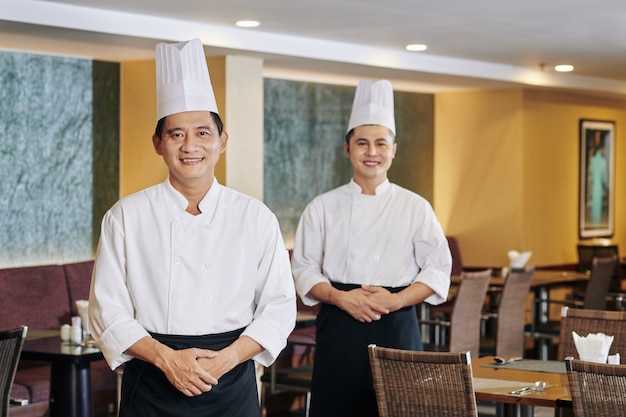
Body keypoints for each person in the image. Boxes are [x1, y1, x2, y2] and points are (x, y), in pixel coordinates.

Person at [88, 38, 296, 417]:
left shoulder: (255, 217)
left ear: (222, 141)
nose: (190, 146)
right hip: (151, 377)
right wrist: (167, 359)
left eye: (203, 133)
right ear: (158, 143)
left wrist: (228, 358)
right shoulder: (126, 215)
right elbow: (107, 310)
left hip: (230, 379)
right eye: (176, 134)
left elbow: (279, 308)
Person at [291, 79, 452, 417]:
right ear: (347, 149)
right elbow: (303, 269)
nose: (372, 152)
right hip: (339, 324)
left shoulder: (415, 207)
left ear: (394, 149)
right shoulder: (322, 207)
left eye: (381, 143)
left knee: (400, 410)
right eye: (362, 143)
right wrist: (340, 297)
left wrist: (396, 299)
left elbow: (438, 268)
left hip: (396, 322)